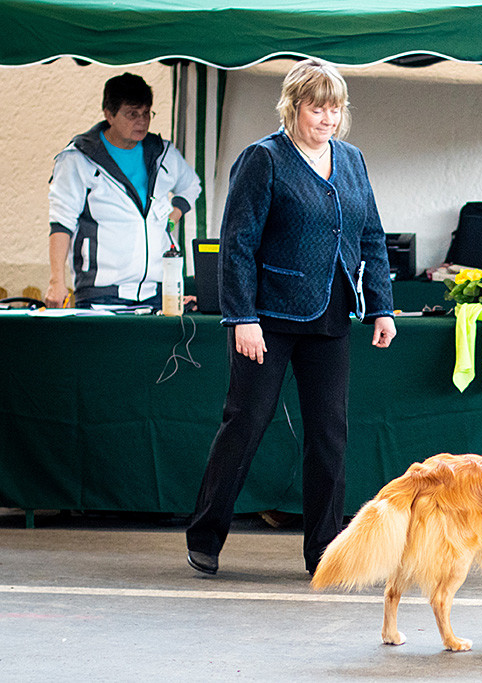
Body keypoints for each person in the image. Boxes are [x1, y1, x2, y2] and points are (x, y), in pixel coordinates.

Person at [185, 59, 396, 576]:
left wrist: (382, 306)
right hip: (268, 319)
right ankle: (206, 534)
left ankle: (324, 549)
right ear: (293, 107)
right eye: (316, 107)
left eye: (335, 108)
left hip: (331, 317)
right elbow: (237, 245)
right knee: (246, 423)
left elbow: (370, 234)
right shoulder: (264, 158)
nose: (326, 118)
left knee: (330, 432)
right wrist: (241, 318)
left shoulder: (352, 160)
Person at [46, 73, 201, 309]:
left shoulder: (163, 153)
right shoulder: (77, 160)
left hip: (158, 292)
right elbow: (61, 223)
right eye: (132, 114)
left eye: (146, 113)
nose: (141, 121)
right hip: (101, 295)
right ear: (109, 114)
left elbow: (192, 186)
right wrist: (57, 281)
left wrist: (173, 218)